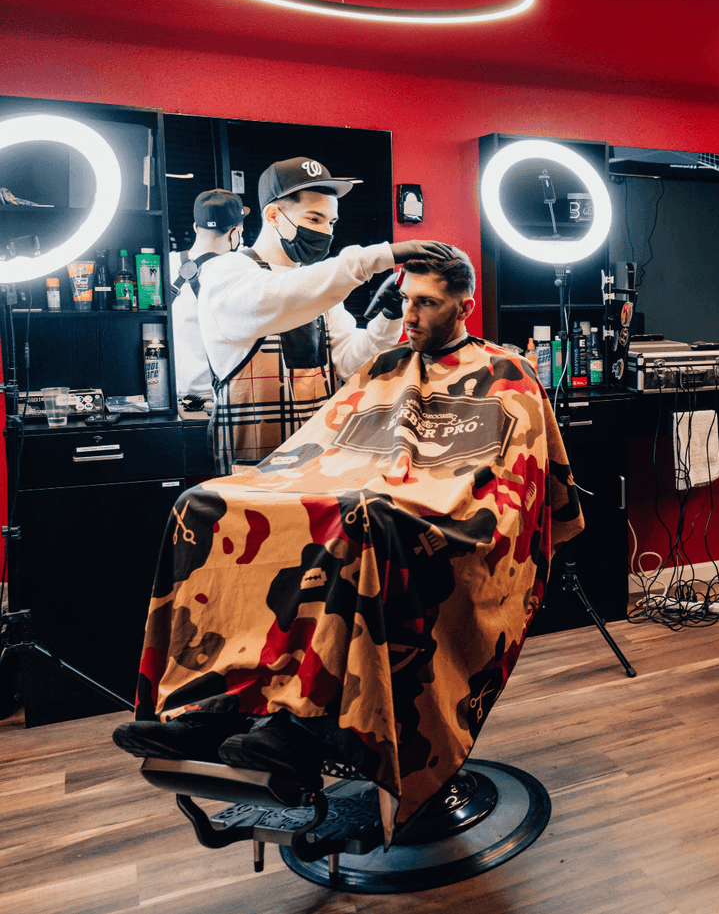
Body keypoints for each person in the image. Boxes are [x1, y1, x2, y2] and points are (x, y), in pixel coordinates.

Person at [115, 248, 583, 839]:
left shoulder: (507, 373)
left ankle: (305, 734)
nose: (410, 314)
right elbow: (325, 449)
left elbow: (511, 484)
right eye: (406, 299)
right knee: (205, 505)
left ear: (465, 305)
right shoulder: (385, 366)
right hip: (368, 502)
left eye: (427, 303)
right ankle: (210, 712)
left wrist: (403, 493)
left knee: (363, 518)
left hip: (454, 524)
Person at [196, 156, 455, 472]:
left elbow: (350, 362)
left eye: (331, 223)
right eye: (314, 219)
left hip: (320, 461)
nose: (325, 232)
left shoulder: (319, 288)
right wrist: (376, 257)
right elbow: (276, 297)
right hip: (252, 466)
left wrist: (390, 316)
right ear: (273, 215)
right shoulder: (227, 272)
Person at [170, 189, 249, 403]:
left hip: (167, 395)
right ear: (235, 233)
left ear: (195, 227)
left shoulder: (166, 264)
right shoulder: (237, 270)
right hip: (212, 398)